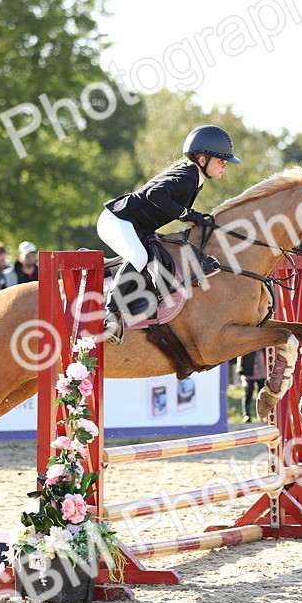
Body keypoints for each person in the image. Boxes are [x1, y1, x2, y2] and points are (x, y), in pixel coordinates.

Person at [97, 125, 240, 343]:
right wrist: (187, 214)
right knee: (139, 257)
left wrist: (192, 217)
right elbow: (155, 194)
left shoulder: (193, 177)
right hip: (117, 220)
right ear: (202, 159)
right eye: (221, 161)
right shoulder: (188, 176)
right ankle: (111, 314)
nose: (224, 166)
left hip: (135, 226)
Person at [237, 349, 268, 423]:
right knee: (248, 394)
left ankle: (262, 416)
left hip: (261, 372)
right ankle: (246, 415)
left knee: (262, 395)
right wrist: (241, 369)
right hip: (249, 372)